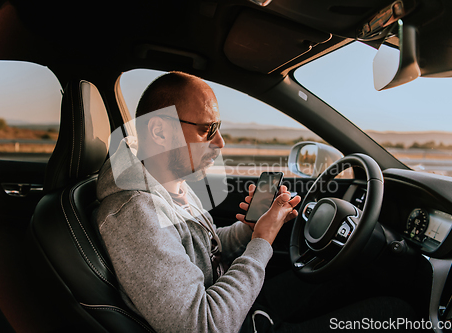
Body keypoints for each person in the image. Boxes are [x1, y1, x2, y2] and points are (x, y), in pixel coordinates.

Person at [96, 72, 416, 333]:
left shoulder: (167, 183)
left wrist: (247, 230)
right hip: (230, 321)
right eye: (208, 130)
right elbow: (203, 326)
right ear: (160, 132)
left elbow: (200, 247)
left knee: (348, 274)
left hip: (236, 302)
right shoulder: (136, 213)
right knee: (396, 313)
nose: (220, 142)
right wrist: (262, 240)